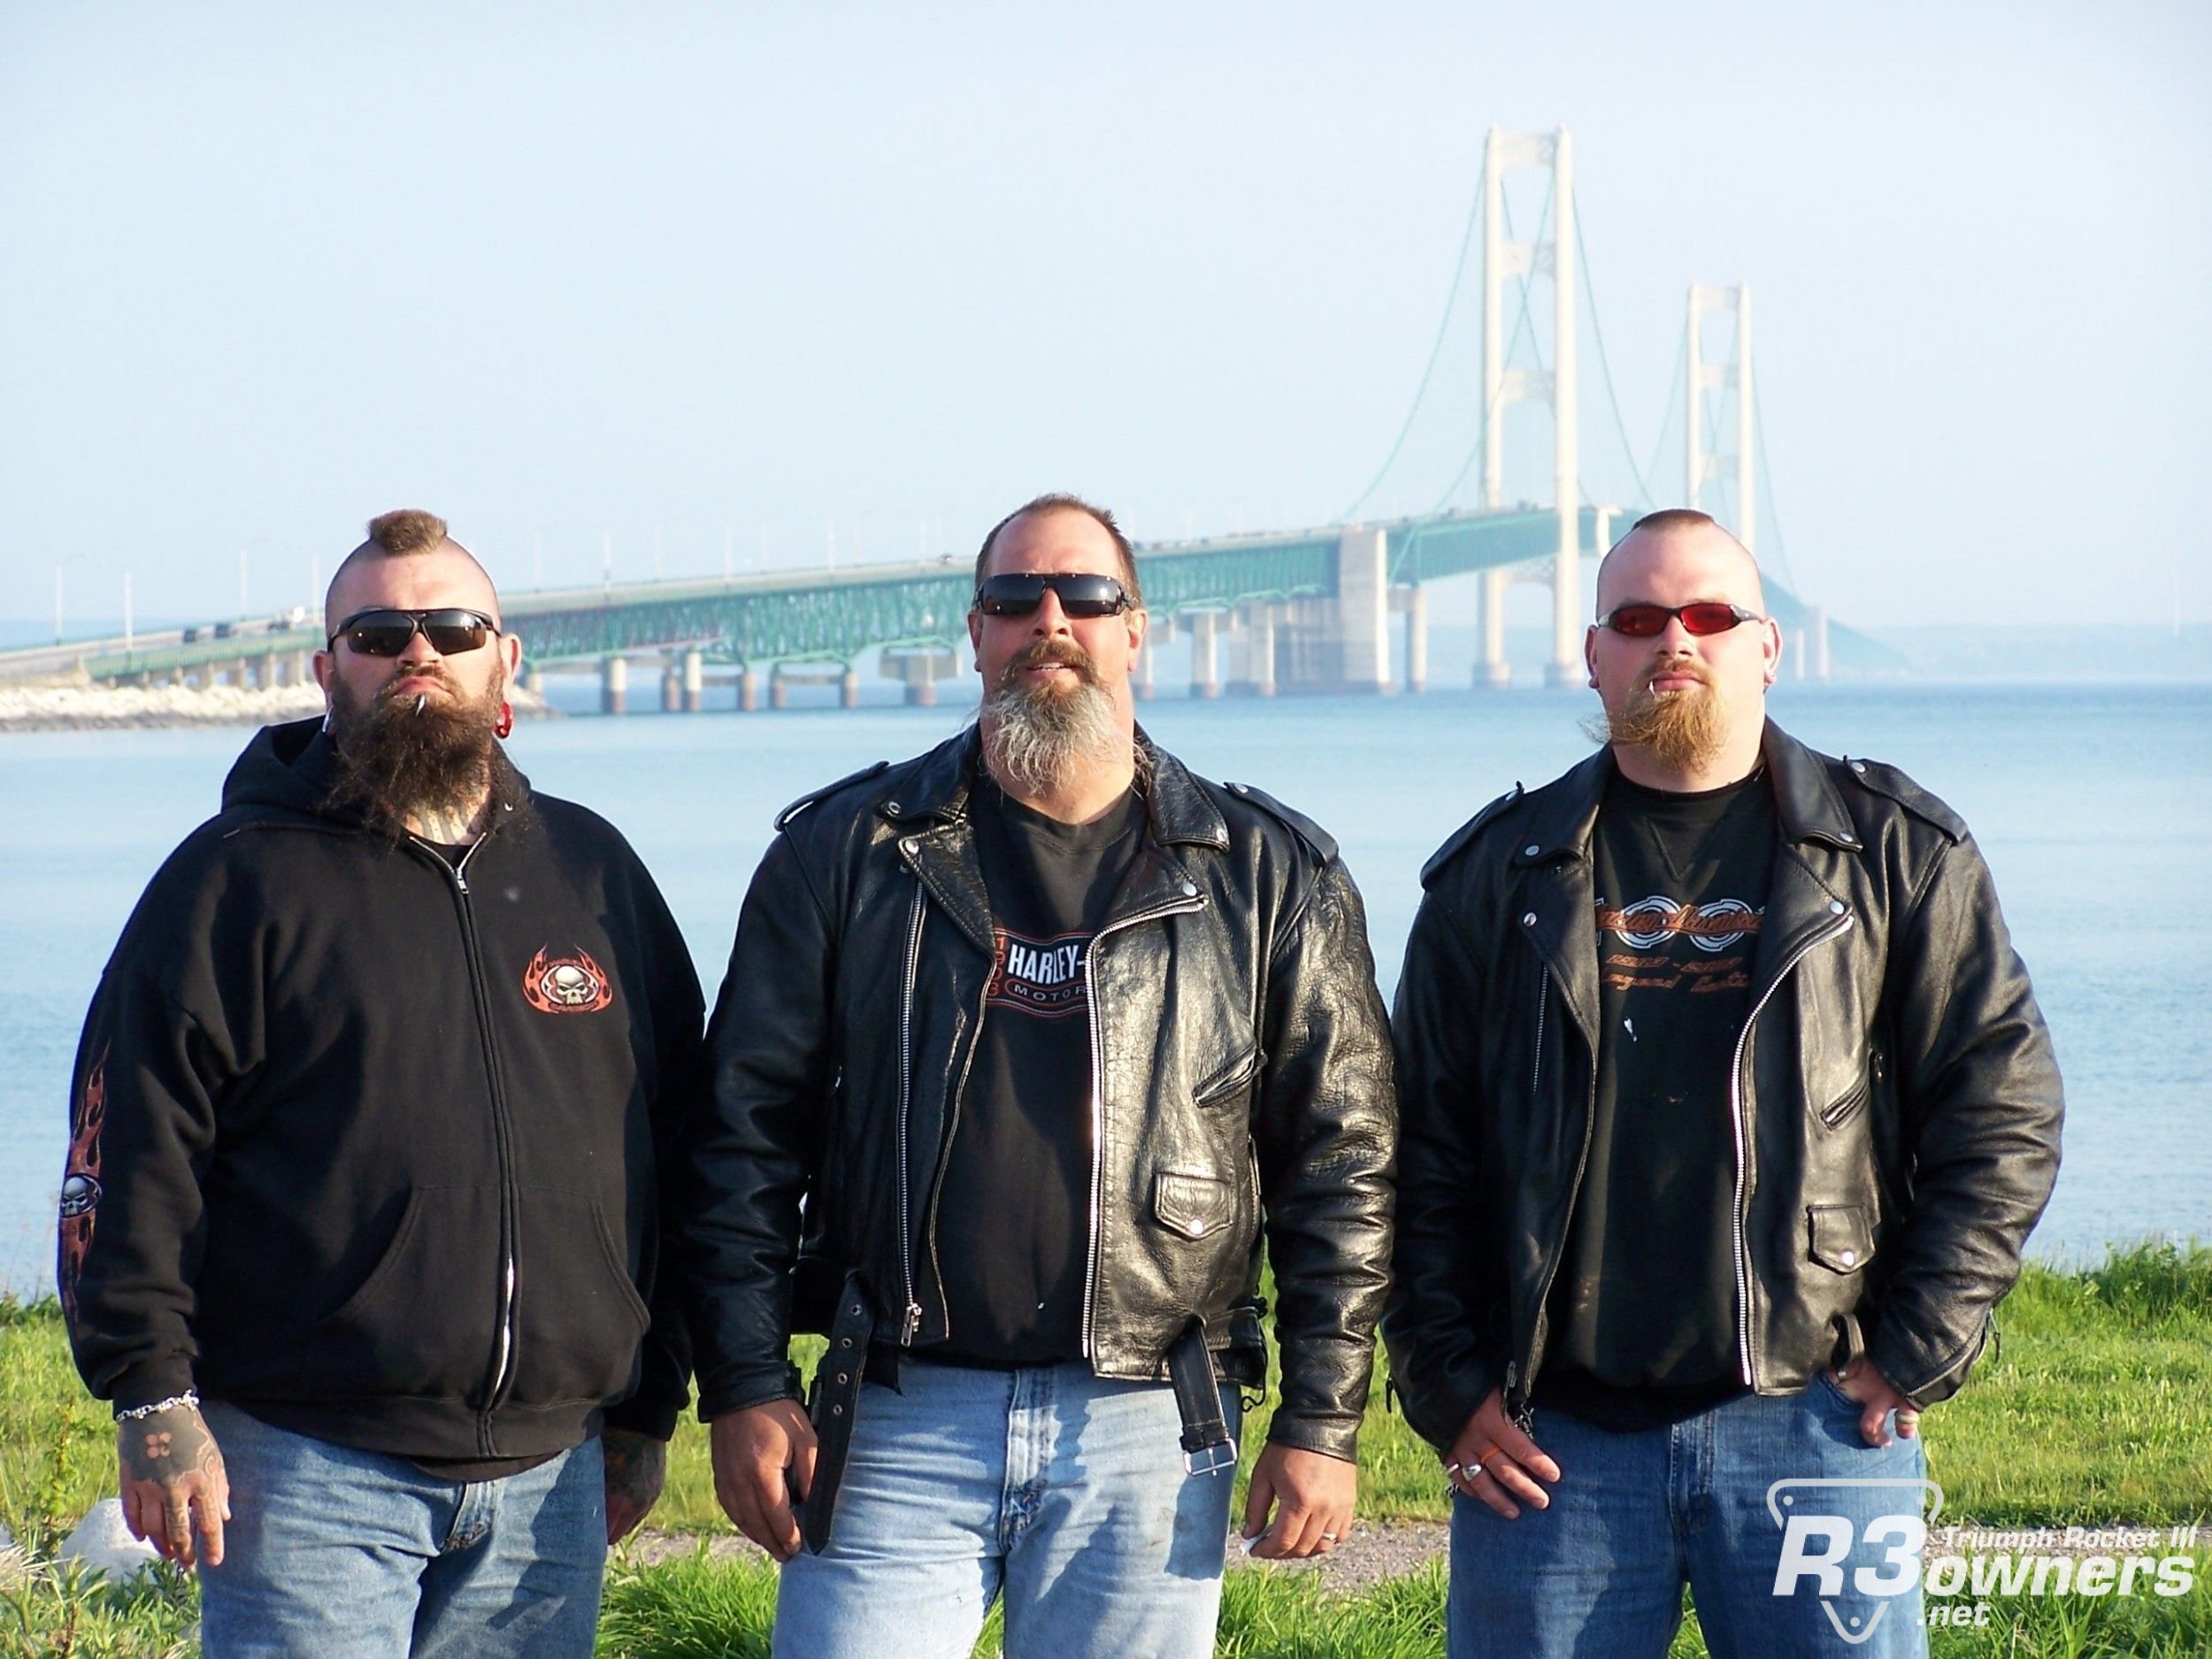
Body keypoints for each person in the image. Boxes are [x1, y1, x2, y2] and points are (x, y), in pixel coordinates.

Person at [681, 493, 1396, 1659]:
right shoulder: (847, 853)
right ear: (976, 634)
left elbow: (1342, 1164)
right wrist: (748, 1382)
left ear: (1135, 630)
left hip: (1148, 1416)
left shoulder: (1269, 874)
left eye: (1086, 597)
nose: (1049, 621)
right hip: (902, 1412)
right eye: (1016, 600)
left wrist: (1322, 1414)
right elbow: (743, 1136)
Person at [1386, 509, 2063, 1659]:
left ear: (1767, 645)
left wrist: (1918, 1342)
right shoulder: (1495, 879)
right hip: (1556, 1450)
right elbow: (1410, 1151)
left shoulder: (1895, 854)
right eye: (1640, 619)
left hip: (1817, 1424)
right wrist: (1447, 1386)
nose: (1675, 642)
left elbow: (2002, 1110)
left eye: (1709, 615)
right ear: (1594, 656)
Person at [58, 510, 703, 1657]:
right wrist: (152, 1397)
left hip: (554, 1479)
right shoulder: (230, 883)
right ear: (325, 670)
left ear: (506, 659)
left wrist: (649, 1406)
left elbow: (680, 1147)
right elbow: (128, 1158)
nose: (419, 652)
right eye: (380, 631)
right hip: (305, 1468)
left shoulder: (591, 872)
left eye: (451, 628)